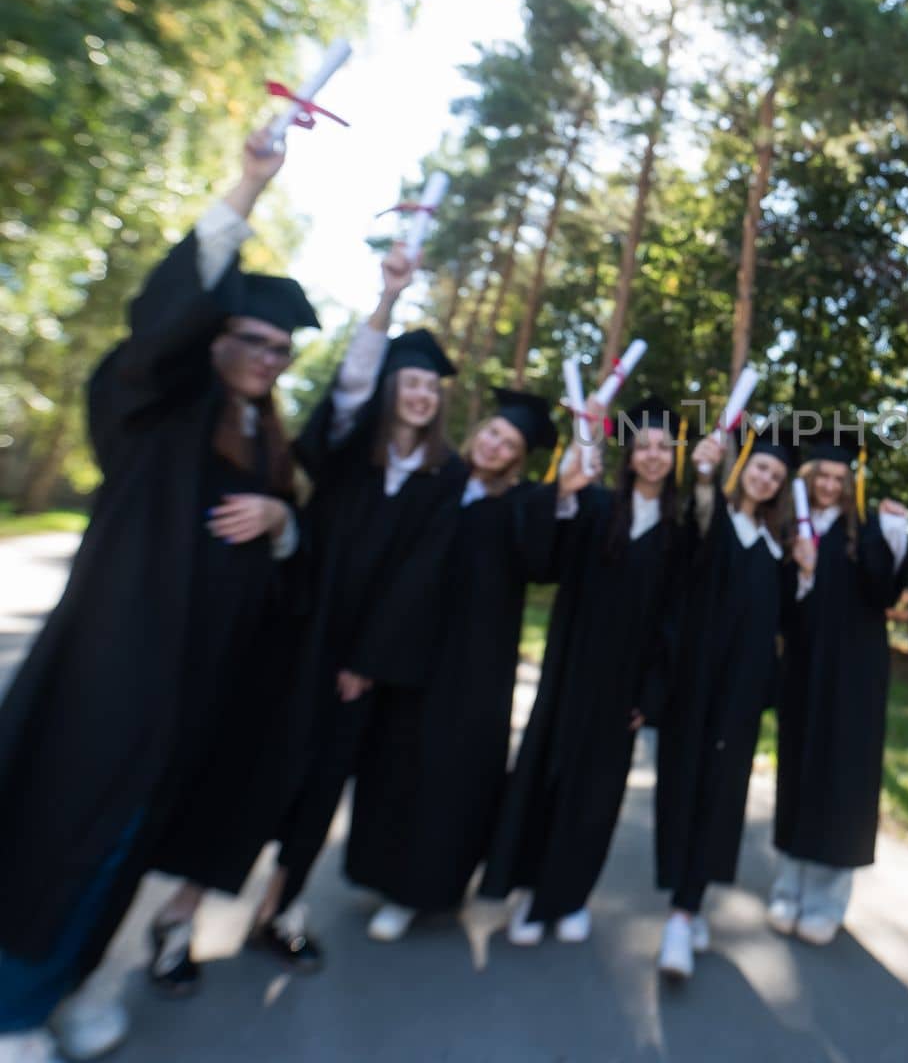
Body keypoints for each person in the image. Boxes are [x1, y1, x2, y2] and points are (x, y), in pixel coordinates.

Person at [0, 130, 316, 1061]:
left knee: (124, 851)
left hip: (189, 695)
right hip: (112, 677)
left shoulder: (268, 442)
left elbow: (289, 551)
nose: (266, 357)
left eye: (281, 350)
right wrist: (247, 189)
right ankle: (11, 1006)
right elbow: (155, 336)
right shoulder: (153, 411)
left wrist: (282, 521)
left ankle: (69, 988)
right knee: (63, 835)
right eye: (251, 340)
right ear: (212, 339)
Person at [241, 250, 467, 971]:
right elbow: (348, 389)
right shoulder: (347, 450)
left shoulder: (446, 476)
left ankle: (278, 909)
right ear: (391, 387)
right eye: (411, 381)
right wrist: (387, 302)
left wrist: (369, 662)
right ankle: (184, 911)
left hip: (357, 664)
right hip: (292, 632)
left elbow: (422, 578)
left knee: (322, 786)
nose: (422, 394)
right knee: (255, 769)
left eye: (432, 385)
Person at [345, 389, 562, 941]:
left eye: (509, 444)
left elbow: (542, 562)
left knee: (448, 779)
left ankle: (415, 894)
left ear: (519, 458)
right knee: (392, 765)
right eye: (492, 433)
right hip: (408, 656)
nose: (495, 446)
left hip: (472, 671)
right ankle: (378, 872)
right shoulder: (437, 481)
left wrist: (565, 492)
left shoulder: (521, 505)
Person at [481, 396, 685, 947]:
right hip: (571, 671)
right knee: (546, 777)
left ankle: (570, 898)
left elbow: (675, 621)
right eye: (643, 445)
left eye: (663, 447)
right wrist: (563, 492)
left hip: (624, 690)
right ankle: (527, 892)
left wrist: (653, 693)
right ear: (628, 454)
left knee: (597, 798)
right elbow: (542, 561)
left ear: (674, 457)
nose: (652, 456)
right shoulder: (593, 507)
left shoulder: (680, 527)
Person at [653, 426, 795, 981]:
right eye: (760, 467)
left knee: (720, 796)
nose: (766, 478)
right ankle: (682, 908)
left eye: (776, 476)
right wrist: (706, 472)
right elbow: (697, 518)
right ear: (744, 468)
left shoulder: (775, 544)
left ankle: (685, 912)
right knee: (684, 786)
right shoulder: (714, 522)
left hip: (740, 697)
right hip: (693, 687)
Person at [770, 442, 908, 946]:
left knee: (843, 781)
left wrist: (895, 537)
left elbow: (885, 592)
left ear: (850, 484)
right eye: (820, 477)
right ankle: (788, 888)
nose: (829, 486)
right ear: (806, 481)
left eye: (838, 479)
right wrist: (802, 573)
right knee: (798, 770)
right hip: (805, 671)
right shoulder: (791, 532)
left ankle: (828, 901)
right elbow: (781, 610)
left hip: (854, 676)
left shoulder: (866, 531)